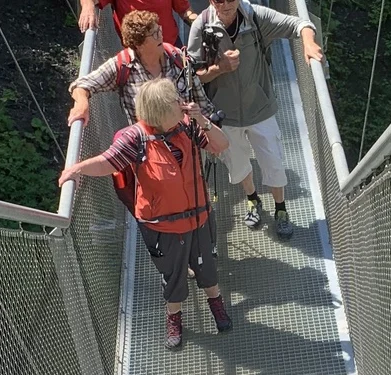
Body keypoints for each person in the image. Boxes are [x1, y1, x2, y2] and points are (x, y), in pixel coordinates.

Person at [59, 79, 231, 349]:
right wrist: (77, 169)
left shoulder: (187, 127)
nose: (181, 103)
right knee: (173, 276)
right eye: (176, 100)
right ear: (161, 110)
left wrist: (204, 122)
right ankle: (174, 317)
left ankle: (216, 303)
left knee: (207, 265)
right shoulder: (136, 137)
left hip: (198, 217)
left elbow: (221, 145)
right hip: (163, 226)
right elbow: (109, 161)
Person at [188, 0, 323, 240]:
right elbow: (194, 76)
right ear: (211, 1)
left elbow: (300, 23)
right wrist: (220, 68)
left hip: (260, 108)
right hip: (225, 114)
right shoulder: (201, 26)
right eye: (220, 0)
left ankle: (281, 209)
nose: (226, 5)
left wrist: (309, 43)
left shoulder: (255, 17)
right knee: (238, 164)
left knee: (273, 162)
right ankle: (252, 200)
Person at [67, 10, 215, 130]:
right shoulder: (122, 66)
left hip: (186, 145)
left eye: (160, 30)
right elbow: (81, 85)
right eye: (155, 34)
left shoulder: (177, 57)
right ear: (138, 44)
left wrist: (210, 127)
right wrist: (82, 104)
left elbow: (201, 101)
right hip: (149, 152)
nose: (161, 36)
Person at [79, 0, 197, 49]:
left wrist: (198, 23)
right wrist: (87, 6)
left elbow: (184, 10)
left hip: (170, 48)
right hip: (138, 56)